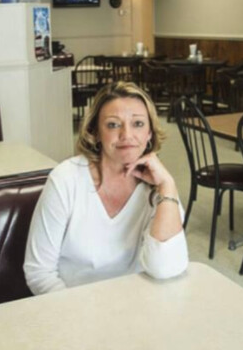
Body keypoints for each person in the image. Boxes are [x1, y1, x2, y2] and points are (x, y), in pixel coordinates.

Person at [24, 82, 188, 295]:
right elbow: (39, 272)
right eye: (113, 125)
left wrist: (167, 186)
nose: (126, 135)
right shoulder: (66, 179)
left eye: (138, 123)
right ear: (95, 132)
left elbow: (166, 268)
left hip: (138, 307)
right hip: (72, 308)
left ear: (149, 134)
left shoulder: (160, 186)